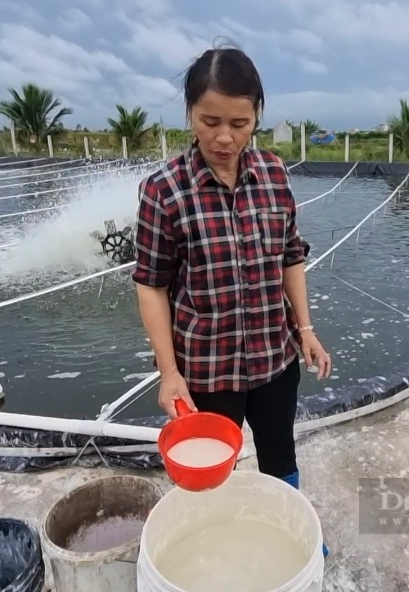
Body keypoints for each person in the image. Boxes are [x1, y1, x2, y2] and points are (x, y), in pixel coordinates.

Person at [131, 44, 332, 557]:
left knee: (280, 455)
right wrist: (169, 372)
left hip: (273, 356)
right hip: (206, 368)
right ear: (189, 114)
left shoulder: (274, 175)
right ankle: (208, 555)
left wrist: (304, 329)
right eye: (210, 120)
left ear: (257, 115)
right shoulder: (165, 190)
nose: (225, 137)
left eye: (240, 123)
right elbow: (151, 284)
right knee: (206, 475)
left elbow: (290, 255)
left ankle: (292, 541)